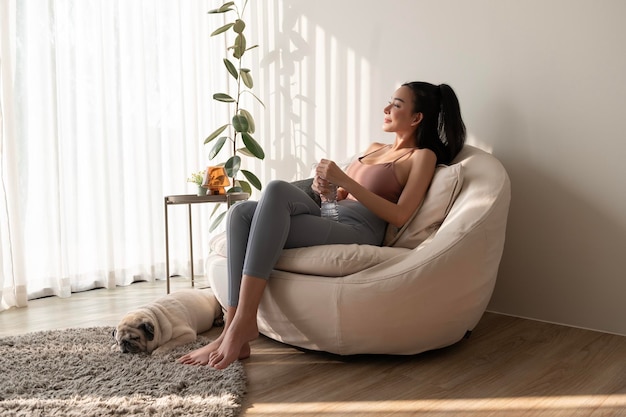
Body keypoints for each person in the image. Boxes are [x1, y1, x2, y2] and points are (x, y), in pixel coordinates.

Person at [178, 81, 466, 369]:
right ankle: (233, 330)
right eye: (390, 101)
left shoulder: (421, 157)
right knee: (241, 212)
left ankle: (244, 322)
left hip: (359, 230)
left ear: (417, 118)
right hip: (332, 216)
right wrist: (328, 190)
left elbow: (401, 215)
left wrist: (345, 180)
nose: (386, 109)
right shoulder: (374, 148)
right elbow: (338, 199)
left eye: (397, 105)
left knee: (277, 188)